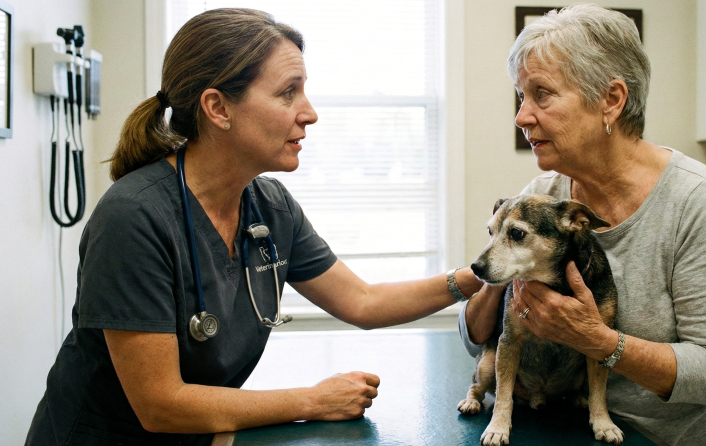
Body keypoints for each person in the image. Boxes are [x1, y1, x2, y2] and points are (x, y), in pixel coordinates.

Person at [25, 8, 482, 446]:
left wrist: (481, 276)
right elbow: (160, 404)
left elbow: (362, 301)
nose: (309, 112)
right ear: (218, 108)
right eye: (288, 92)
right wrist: (313, 400)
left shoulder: (269, 207)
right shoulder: (133, 217)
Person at [459, 4, 706, 446]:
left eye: (541, 94)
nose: (522, 116)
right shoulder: (543, 194)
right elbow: (477, 340)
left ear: (611, 100)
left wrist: (600, 341)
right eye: (521, 97)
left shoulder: (698, 202)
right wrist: (497, 277)